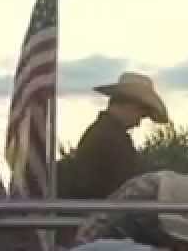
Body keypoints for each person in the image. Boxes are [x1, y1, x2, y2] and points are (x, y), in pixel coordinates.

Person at [59, 72, 168, 201]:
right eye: (141, 114)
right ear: (130, 105)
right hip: (103, 215)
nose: (138, 123)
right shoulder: (112, 138)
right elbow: (128, 187)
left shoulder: (104, 132)